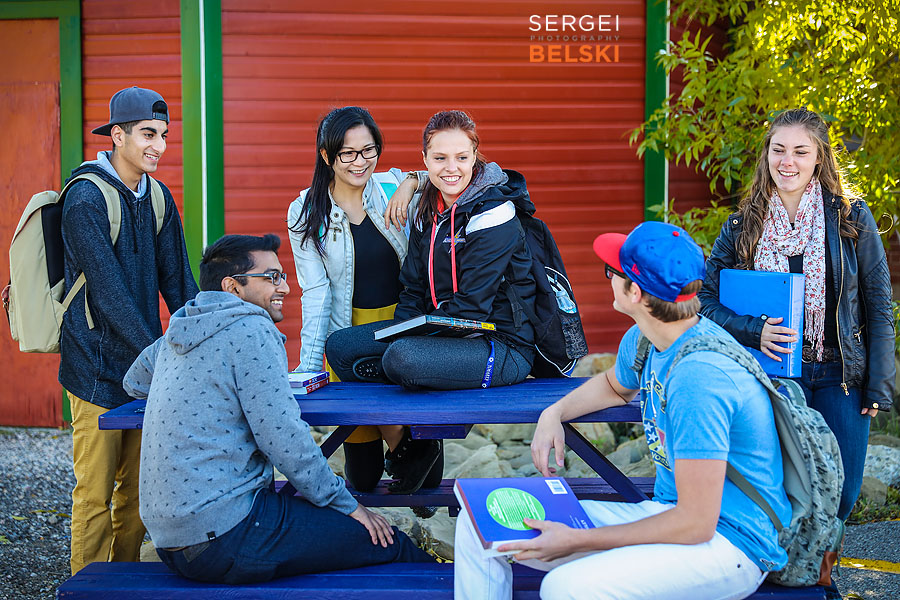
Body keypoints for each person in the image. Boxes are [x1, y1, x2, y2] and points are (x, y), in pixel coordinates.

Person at [454, 221, 791, 600]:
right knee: (480, 520)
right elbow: (615, 386)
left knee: (566, 588)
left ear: (634, 291)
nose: (608, 279)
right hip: (665, 516)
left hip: (729, 546)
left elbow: (697, 523)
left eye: (611, 271)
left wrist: (580, 540)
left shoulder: (701, 378)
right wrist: (555, 412)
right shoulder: (648, 339)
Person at [122, 234, 432, 584]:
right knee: (391, 543)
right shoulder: (251, 329)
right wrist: (349, 506)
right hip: (227, 534)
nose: (284, 286)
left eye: (282, 276)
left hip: (172, 541)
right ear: (233, 287)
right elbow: (285, 441)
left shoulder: (183, 326)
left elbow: (133, 382)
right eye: (271, 277)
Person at [698, 108, 894, 525]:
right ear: (766, 154)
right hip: (772, 376)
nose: (788, 161)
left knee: (842, 492)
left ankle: (821, 572)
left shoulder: (851, 218)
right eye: (779, 149)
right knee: (778, 487)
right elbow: (705, 300)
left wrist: (879, 383)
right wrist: (754, 330)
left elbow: (878, 305)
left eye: (800, 151)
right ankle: (786, 578)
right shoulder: (742, 225)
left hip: (840, 374)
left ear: (819, 157)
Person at [325, 110, 537, 495]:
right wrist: (401, 328)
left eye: (461, 157)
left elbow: (472, 310)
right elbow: (412, 289)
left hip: (499, 345)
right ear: (424, 160)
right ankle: (414, 446)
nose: (451, 168)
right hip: (444, 332)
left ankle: (418, 441)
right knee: (341, 348)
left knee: (401, 357)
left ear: (476, 156)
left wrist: (407, 341)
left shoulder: (495, 213)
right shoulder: (428, 209)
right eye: (439, 159)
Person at [61, 86, 199, 574]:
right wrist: (162, 356)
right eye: (147, 134)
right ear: (117, 135)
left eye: (163, 135)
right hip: (95, 369)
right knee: (95, 494)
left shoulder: (158, 196)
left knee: (140, 496)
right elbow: (109, 295)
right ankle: (87, 586)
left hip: (145, 373)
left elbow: (180, 282)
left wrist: (208, 338)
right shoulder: (84, 199)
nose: (158, 145)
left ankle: (122, 582)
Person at [287, 106, 433, 500]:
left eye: (368, 151)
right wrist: (310, 367)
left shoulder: (391, 187)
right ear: (326, 155)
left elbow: (453, 175)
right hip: (350, 342)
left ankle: (415, 449)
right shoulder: (306, 211)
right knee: (364, 477)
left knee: (426, 485)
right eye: (347, 153)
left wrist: (412, 181)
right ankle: (410, 446)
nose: (360, 162)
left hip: (404, 330)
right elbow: (315, 293)